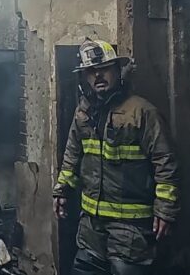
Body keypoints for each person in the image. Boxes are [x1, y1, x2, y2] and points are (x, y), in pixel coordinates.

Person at [53, 40, 180, 275]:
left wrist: (165, 210)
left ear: (117, 71)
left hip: (130, 229)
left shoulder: (142, 112)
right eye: (91, 71)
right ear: (84, 78)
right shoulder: (83, 114)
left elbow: (165, 162)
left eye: (104, 68)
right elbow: (72, 154)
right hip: (91, 226)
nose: (98, 75)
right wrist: (61, 190)